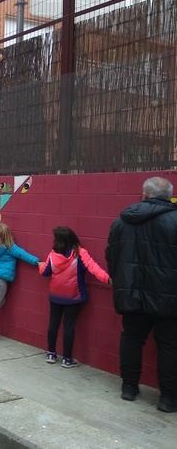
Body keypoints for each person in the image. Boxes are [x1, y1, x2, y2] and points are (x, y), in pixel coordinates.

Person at [106, 176, 177, 412]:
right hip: (169, 296)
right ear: (169, 195)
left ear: (144, 194)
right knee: (169, 346)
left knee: (132, 339)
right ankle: (168, 399)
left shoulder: (121, 222)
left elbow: (112, 257)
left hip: (131, 294)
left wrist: (121, 283)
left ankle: (129, 388)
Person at [38, 226, 110, 368]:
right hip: (74, 297)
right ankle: (67, 359)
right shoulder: (80, 253)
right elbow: (94, 268)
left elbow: (45, 272)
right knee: (69, 326)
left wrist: (40, 265)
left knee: (53, 323)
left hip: (55, 296)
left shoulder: (53, 254)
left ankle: (51, 354)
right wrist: (108, 279)